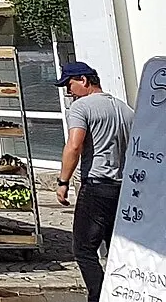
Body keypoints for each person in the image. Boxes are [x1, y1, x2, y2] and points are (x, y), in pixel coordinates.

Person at [57, 61, 133, 302]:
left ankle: (99, 297)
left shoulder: (81, 108)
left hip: (96, 186)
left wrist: (63, 181)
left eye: (69, 85)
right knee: (115, 249)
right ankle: (122, 294)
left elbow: (75, 145)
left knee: (84, 249)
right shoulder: (125, 109)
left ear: (84, 80)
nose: (69, 92)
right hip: (122, 189)